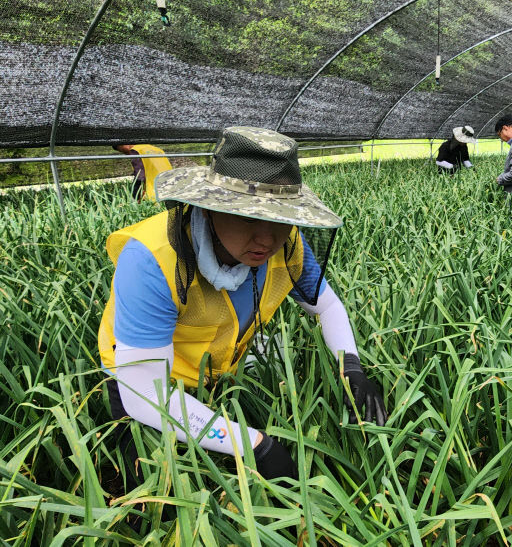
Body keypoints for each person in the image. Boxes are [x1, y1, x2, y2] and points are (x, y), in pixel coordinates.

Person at [98, 127, 387, 485]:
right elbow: (144, 394)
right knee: (146, 490)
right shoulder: (151, 259)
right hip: (143, 384)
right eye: (249, 216)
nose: (266, 239)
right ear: (211, 206)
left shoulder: (289, 244)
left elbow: (326, 306)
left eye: (280, 219)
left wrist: (352, 366)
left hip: (221, 374)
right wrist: (255, 445)